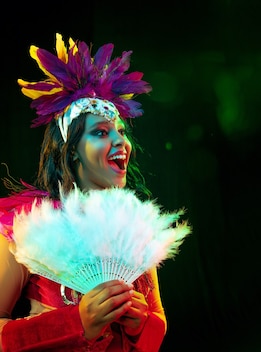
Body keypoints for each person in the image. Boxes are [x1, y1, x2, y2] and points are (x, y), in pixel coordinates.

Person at [0, 33, 167, 351]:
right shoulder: (26, 225)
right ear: (72, 150)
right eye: (101, 133)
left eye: (120, 131)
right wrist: (78, 322)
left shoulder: (135, 228)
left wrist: (141, 323)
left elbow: (157, 329)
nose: (120, 142)